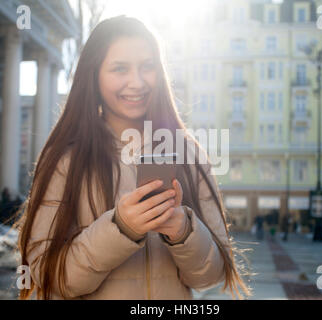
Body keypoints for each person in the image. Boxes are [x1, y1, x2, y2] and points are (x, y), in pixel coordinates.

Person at [14, 16, 251, 300]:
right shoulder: (66, 157)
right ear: (94, 75)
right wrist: (120, 229)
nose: (136, 82)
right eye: (120, 69)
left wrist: (184, 232)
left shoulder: (189, 153)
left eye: (147, 67)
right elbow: (45, 273)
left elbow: (211, 276)